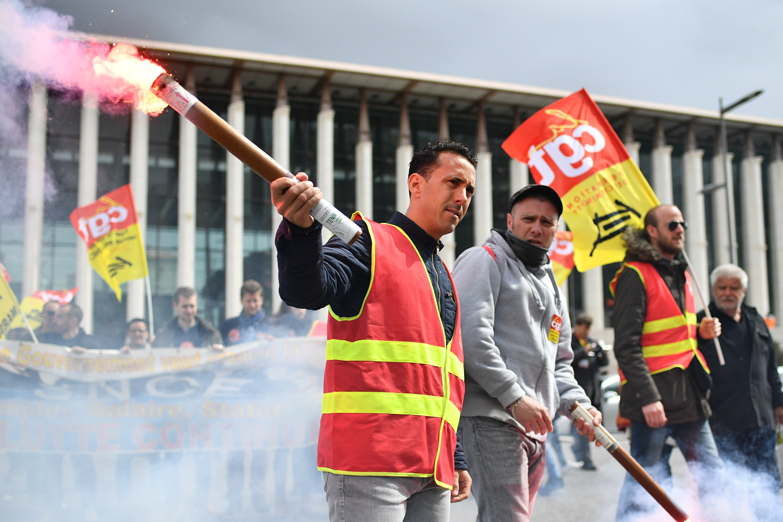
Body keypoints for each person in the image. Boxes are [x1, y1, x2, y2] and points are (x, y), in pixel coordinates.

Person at [271, 141, 475, 521]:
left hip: (433, 469)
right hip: (370, 463)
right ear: (416, 184)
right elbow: (308, 291)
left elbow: (440, 384)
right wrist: (301, 233)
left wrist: (455, 454)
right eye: (453, 182)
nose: (463, 197)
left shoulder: (443, 273)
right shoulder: (367, 241)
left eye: (470, 190)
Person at [452, 185, 600, 522]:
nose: (537, 228)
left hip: (535, 428)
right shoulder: (485, 260)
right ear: (510, 221)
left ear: (557, 229)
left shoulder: (550, 284)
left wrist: (579, 405)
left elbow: (560, 362)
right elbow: (470, 339)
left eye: (547, 222)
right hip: (491, 420)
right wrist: (515, 397)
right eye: (529, 219)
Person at [611, 204, 724, 522]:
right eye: (672, 224)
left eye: (682, 223)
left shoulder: (682, 273)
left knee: (713, 475)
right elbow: (626, 346)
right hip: (654, 404)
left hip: (689, 397)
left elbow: (674, 336)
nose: (680, 228)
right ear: (652, 231)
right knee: (646, 484)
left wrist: (700, 333)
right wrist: (649, 398)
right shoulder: (634, 274)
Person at [698, 264, 783, 512]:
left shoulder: (756, 320)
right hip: (721, 423)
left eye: (734, 288)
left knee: (767, 486)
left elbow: (770, 369)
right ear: (713, 290)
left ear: (743, 291)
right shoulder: (701, 323)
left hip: (761, 421)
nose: (728, 292)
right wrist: (700, 335)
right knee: (729, 489)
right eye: (722, 287)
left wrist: (779, 403)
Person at [570, 313, 609, 471]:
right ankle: (585, 459)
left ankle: (579, 451)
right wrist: (583, 351)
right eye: (584, 328)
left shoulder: (592, 341)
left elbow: (605, 363)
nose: (586, 332)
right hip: (578, 393)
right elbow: (567, 360)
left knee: (586, 428)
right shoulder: (570, 342)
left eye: (588, 329)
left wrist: (601, 351)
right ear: (577, 326)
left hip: (594, 393)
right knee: (582, 427)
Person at [152, 287, 223, 349]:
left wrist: (220, 354)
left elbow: (223, 362)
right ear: (175, 305)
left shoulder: (210, 334)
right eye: (184, 306)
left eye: (192, 306)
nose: (189, 311)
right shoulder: (163, 334)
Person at [220, 279, 272, 345]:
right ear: (241, 301)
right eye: (248, 301)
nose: (252, 305)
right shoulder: (228, 326)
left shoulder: (272, 325)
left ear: (261, 300)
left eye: (255, 301)